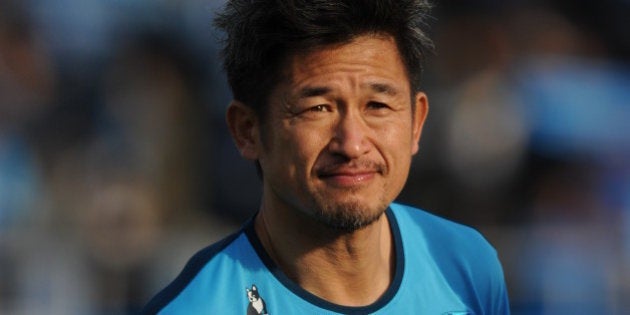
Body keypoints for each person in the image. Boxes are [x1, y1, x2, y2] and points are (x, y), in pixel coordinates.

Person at [142, 0, 510, 314]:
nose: (351, 144)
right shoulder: (200, 306)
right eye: (318, 108)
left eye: (377, 105)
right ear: (247, 130)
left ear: (416, 123)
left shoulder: (468, 268)